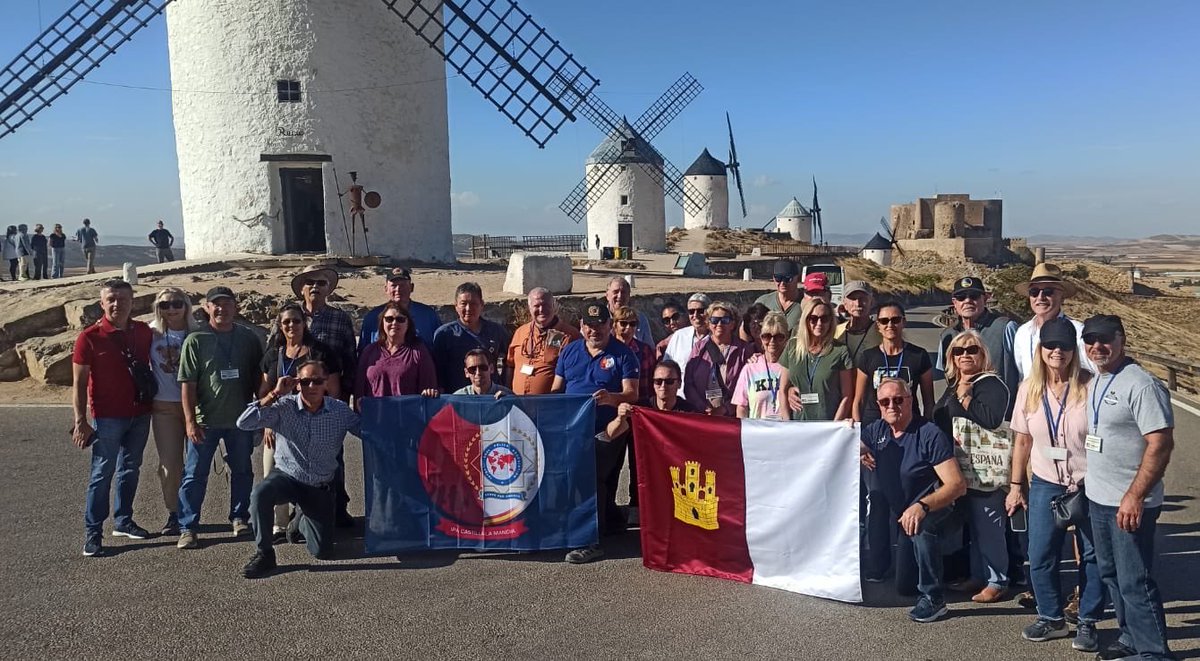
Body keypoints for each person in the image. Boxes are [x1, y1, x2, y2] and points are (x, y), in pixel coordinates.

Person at [1006, 317, 1102, 652]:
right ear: (1040, 349)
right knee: (1040, 552)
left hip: (1088, 483)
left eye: (1063, 345)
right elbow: (1021, 442)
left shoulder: (1091, 387)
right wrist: (1016, 486)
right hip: (1047, 482)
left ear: (1073, 350)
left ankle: (1087, 622)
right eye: (1050, 345)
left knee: (1091, 555)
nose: (1057, 351)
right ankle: (1050, 617)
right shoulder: (1028, 390)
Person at [1082, 315, 1175, 660]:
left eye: (1105, 338)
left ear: (1122, 338)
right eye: (1090, 340)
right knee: (1111, 574)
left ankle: (1154, 652)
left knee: (1135, 580)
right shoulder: (1098, 379)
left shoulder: (1141, 384)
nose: (1096, 346)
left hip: (1129, 501)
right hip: (1099, 499)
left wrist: (1135, 496)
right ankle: (1130, 638)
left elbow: (1161, 444)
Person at [237, 361, 361, 579]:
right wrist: (274, 393)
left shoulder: (340, 411)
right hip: (288, 477)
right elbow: (244, 423)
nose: (311, 386)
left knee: (322, 552)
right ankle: (264, 553)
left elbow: (367, 432)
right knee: (260, 494)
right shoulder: (283, 407)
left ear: (326, 384)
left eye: (317, 381)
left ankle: (299, 522)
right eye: (305, 381)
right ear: (296, 384)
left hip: (319, 486)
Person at [860, 378, 967, 623]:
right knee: (905, 586)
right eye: (885, 401)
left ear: (911, 401)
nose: (892, 406)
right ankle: (950, 567)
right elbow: (847, 445)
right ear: (878, 405)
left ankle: (934, 599)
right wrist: (847, 434)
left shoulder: (928, 434)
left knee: (922, 526)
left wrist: (922, 506)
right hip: (905, 514)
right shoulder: (876, 431)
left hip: (937, 507)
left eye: (898, 400)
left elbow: (957, 485)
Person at [176, 286, 264, 550]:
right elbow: (187, 384)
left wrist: (259, 417)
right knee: (194, 474)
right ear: (206, 307)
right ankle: (188, 526)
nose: (221, 309)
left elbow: (257, 379)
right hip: (206, 420)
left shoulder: (248, 338)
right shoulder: (196, 339)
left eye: (227, 304)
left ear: (236, 307)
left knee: (242, 471)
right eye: (216, 304)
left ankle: (239, 517)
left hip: (240, 420)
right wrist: (190, 421)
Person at [71, 279, 155, 556]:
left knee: (130, 469)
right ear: (102, 303)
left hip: (140, 413)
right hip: (108, 417)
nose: (118, 304)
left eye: (123, 299)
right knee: (102, 473)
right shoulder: (89, 337)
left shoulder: (143, 332)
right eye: (112, 299)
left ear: (133, 302)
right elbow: (79, 383)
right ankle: (93, 533)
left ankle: (124, 520)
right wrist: (81, 420)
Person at [552, 301, 639, 564]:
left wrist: (610, 398)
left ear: (609, 325)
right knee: (587, 479)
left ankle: (590, 540)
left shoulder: (624, 354)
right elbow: (557, 389)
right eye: (589, 326)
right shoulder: (569, 351)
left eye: (600, 325)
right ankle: (612, 520)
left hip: (609, 429)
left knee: (589, 477)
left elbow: (632, 394)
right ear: (581, 326)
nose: (594, 331)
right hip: (573, 430)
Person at [932, 331, 1012, 604]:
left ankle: (998, 580)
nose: (965, 355)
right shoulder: (955, 383)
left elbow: (991, 419)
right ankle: (979, 575)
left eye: (972, 350)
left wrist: (966, 398)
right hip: (960, 469)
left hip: (983, 469)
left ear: (983, 354)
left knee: (989, 525)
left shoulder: (990, 384)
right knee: (976, 527)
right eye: (958, 351)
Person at [259, 303, 343, 541]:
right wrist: (267, 422)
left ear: (304, 322)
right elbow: (264, 389)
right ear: (280, 325)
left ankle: (304, 519)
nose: (291, 326)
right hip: (278, 423)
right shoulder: (273, 353)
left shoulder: (320, 352)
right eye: (286, 322)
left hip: (313, 422)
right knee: (272, 473)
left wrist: (329, 419)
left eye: (296, 321)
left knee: (311, 475)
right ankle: (279, 524)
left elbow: (333, 390)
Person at [291, 264, 357, 526]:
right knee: (296, 459)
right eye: (310, 283)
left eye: (321, 283)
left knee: (333, 458)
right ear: (302, 289)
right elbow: (275, 355)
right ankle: (300, 517)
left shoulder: (339, 318)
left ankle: (337, 510)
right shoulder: (291, 318)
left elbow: (350, 357)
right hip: (296, 403)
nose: (316, 287)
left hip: (330, 401)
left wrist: (347, 396)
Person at [608, 359, 694, 525]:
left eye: (669, 381)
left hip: (677, 485)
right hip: (643, 489)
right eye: (658, 381)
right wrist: (620, 417)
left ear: (679, 383)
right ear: (652, 383)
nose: (663, 386)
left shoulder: (689, 412)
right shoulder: (641, 409)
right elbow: (610, 434)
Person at [148, 287, 201, 536]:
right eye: (165, 305)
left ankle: (190, 513)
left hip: (195, 405)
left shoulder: (198, 332)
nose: (171, 309)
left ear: (186, 305)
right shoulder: (150, 333)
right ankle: (174, 512)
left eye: (177, 303)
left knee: (195, 464)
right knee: (170, 464)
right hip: (164, 406)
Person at [936, 276, 1019, 415]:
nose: (968, 301)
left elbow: (1024, 375)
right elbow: (948, 377)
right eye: (961, 297)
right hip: (962, 420)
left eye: (974, 296)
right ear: (954, 303)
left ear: (985, 299)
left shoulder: (1006, 328)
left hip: (999, 419)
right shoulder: (947, 336)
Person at [852, 301, 934, 425]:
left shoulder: (919, 355)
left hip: (910, 425)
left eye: (895, 320)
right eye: (884, 321)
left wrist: (927, 429)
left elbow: (929, 401)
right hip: (875, 426)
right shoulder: (867, 357)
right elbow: (858, 401)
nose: (890, 325)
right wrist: (857, 432)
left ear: (903, 322)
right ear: (878, 326)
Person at [1014, 263, 1094, 378]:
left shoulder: (1078, 331)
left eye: (1048, 291)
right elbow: (1022, 375)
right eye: (1034, 292)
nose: (1040, 297)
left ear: (1062, 296)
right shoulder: (1022, 333)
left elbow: (1093, 373)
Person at [780, 300, 853, 421]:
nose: (819, 323)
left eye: (824, 319)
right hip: (797, 425)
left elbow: (847, 396)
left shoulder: (840, 351)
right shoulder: (792, 346)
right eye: (813, 318)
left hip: (827, 425)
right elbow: (783, 389)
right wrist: (787, 424)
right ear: (806, 320)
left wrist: (834, 428)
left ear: (831, 321)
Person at [432, 282, 511, 392]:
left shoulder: (496, 331)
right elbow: (436, 370)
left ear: (482, 304)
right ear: (456, 306)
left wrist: (504, 385)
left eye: (473, 303)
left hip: (491, 398)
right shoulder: (444, 334)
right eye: (463, 304)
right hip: (457, 399)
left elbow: (510, 361)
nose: (468, 308)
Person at [355, 301, 438, 402]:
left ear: (408, 324)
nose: (394, 323)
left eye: (400, 319)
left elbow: (429, 389)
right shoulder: (369, 352)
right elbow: (359, 390)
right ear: (382, 323)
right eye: (389, 319)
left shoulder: (418, 352)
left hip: (407, 415)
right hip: (375, 415)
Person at [683, 301, 754, 417]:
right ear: (708, 324)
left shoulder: (743, 350)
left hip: (732, 417)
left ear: (732, 324)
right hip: (703, 415)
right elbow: (689, 383)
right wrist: (703, 408)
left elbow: (748, 388)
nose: (719, 324)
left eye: (725, 320)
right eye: (714, 320)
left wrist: (727, 409)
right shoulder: (699, 348)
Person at [507, 287, 580, 395]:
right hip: (518, 404)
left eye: (546, 305)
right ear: (529, 308)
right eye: (536, 306)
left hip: (550, 406)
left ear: (554, 306)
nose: (541, 310)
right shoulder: (520, 332)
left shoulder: (569, 335)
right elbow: (510, 365)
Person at [358, 267, 441, 349]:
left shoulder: (428, 315)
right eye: (394, 285)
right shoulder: (373, 317)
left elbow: (440, 349)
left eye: (403, 285)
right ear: (386, 289)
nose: (398, 289)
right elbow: (363, 353)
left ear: (411, 287)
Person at [732, 311, 791, 420]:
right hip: (758, 433)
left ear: (786, 338)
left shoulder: (793, 366)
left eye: (779, 337)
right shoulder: (750, 368)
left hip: (786, 432)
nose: (772, 341)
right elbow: (741, 407)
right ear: (760, 338)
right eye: (767, 336)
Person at [835, 281, 882, 376]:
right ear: (844, 303)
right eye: (852, 298)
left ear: (872, 302)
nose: (858, 303)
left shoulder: (881, 331)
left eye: (863, 298)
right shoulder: (835, 332)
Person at [662, 293, 712, 381]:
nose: (695, 315)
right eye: (691, 312)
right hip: (681, 392)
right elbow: (667, 366)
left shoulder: (717, 336)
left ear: (709, 312)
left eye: (700, 311)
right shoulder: (679, 336)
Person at [604, 276, 654, 347]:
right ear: (607, 295)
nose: (620, 296)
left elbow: (649, 348)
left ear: (629, 295)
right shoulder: (600, 318)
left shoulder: (640, 318)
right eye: (615, 292)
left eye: (623, 292)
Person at [754, 260, 804, 330]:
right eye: (778, 278)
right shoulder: (763, 302)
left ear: (797, 278)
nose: (782, 283)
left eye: (787, 278)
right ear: (773, 278)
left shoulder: (806, 303)